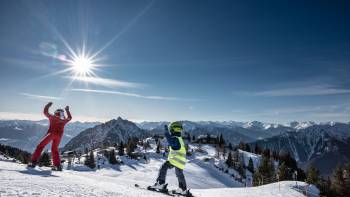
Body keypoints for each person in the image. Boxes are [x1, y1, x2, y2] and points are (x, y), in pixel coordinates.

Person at [28, 102, 72, 171]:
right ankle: (57, 166)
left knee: (40, 146)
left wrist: (48, 105)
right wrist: (67, 110)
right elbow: (69, 118)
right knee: (54, 149)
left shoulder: (53, 117)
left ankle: (33, 162)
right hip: (59, 137)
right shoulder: (64, 120)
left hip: (51, 134)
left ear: (56, 112)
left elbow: (45, 112)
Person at [151, 121, 189, 195]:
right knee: (179, 174)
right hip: (181, 161)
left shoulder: (175, 138)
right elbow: (174, 147)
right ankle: (183, 189)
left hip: (175, 160)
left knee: (163, 167)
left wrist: (166, 133)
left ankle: (160, 184)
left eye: (170, 129)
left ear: (173, 129)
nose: (170, 131)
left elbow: (171, 142)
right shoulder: (179, 138)